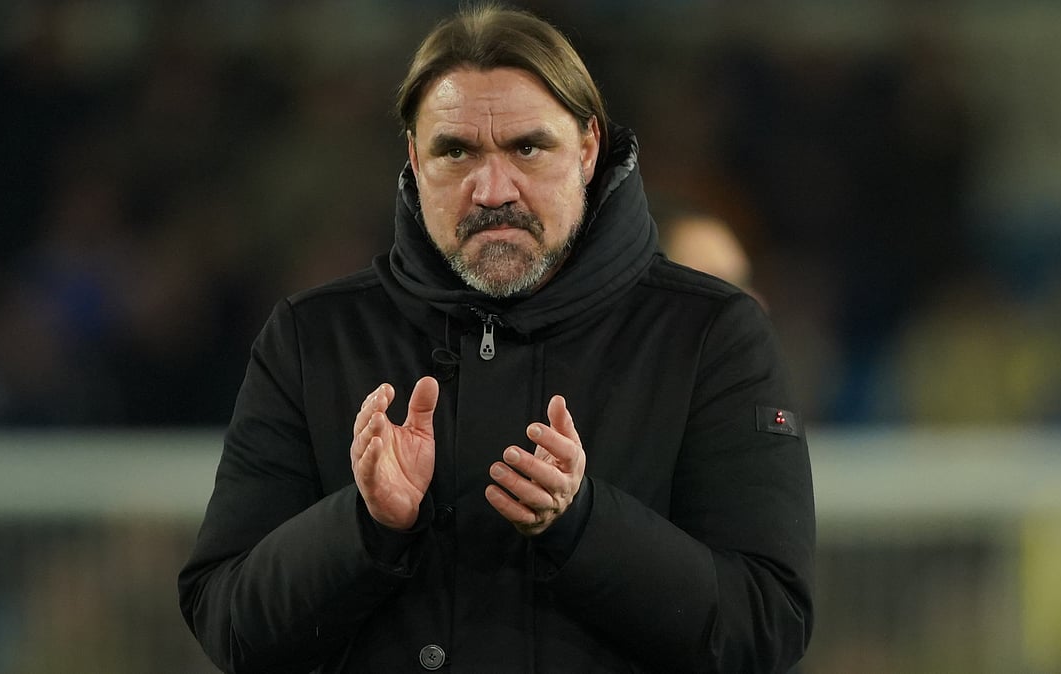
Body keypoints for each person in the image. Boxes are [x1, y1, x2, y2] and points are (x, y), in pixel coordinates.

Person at [178, 5, 814, 673]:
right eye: (455, 151)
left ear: (589, 148)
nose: (491, 190)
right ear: (414, 160)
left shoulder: (712, 334)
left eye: (527, 148)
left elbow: (766, 627)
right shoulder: (312, 338)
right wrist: (362, 527)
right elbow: (228, 625)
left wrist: (585, 523)